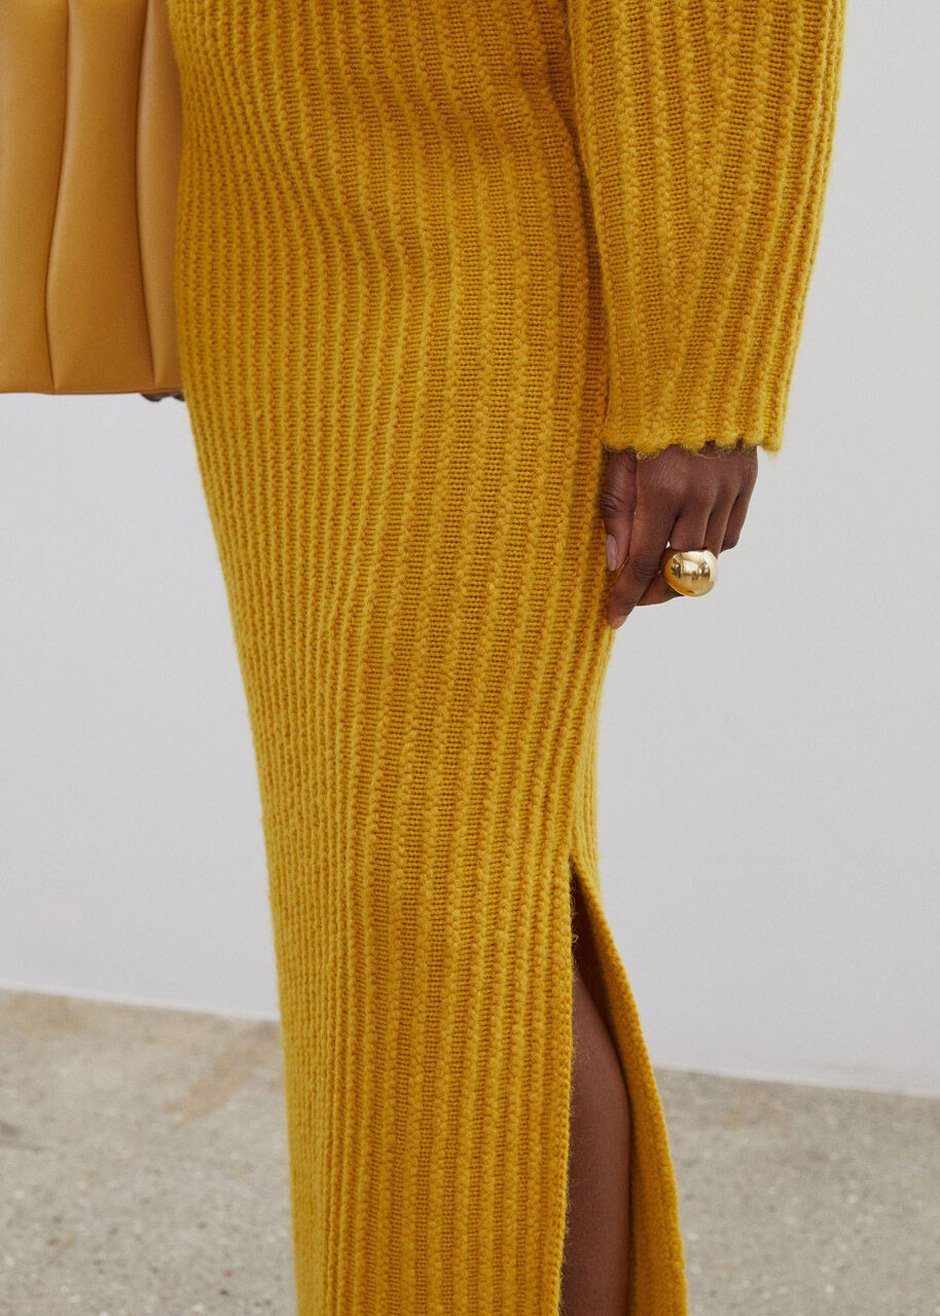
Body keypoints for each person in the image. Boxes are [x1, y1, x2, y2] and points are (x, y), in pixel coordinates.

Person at [152, 1, 845, 1310]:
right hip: (276, 231)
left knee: (445, 894)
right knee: (367, 894)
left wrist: (702, 372)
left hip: (481, 243)